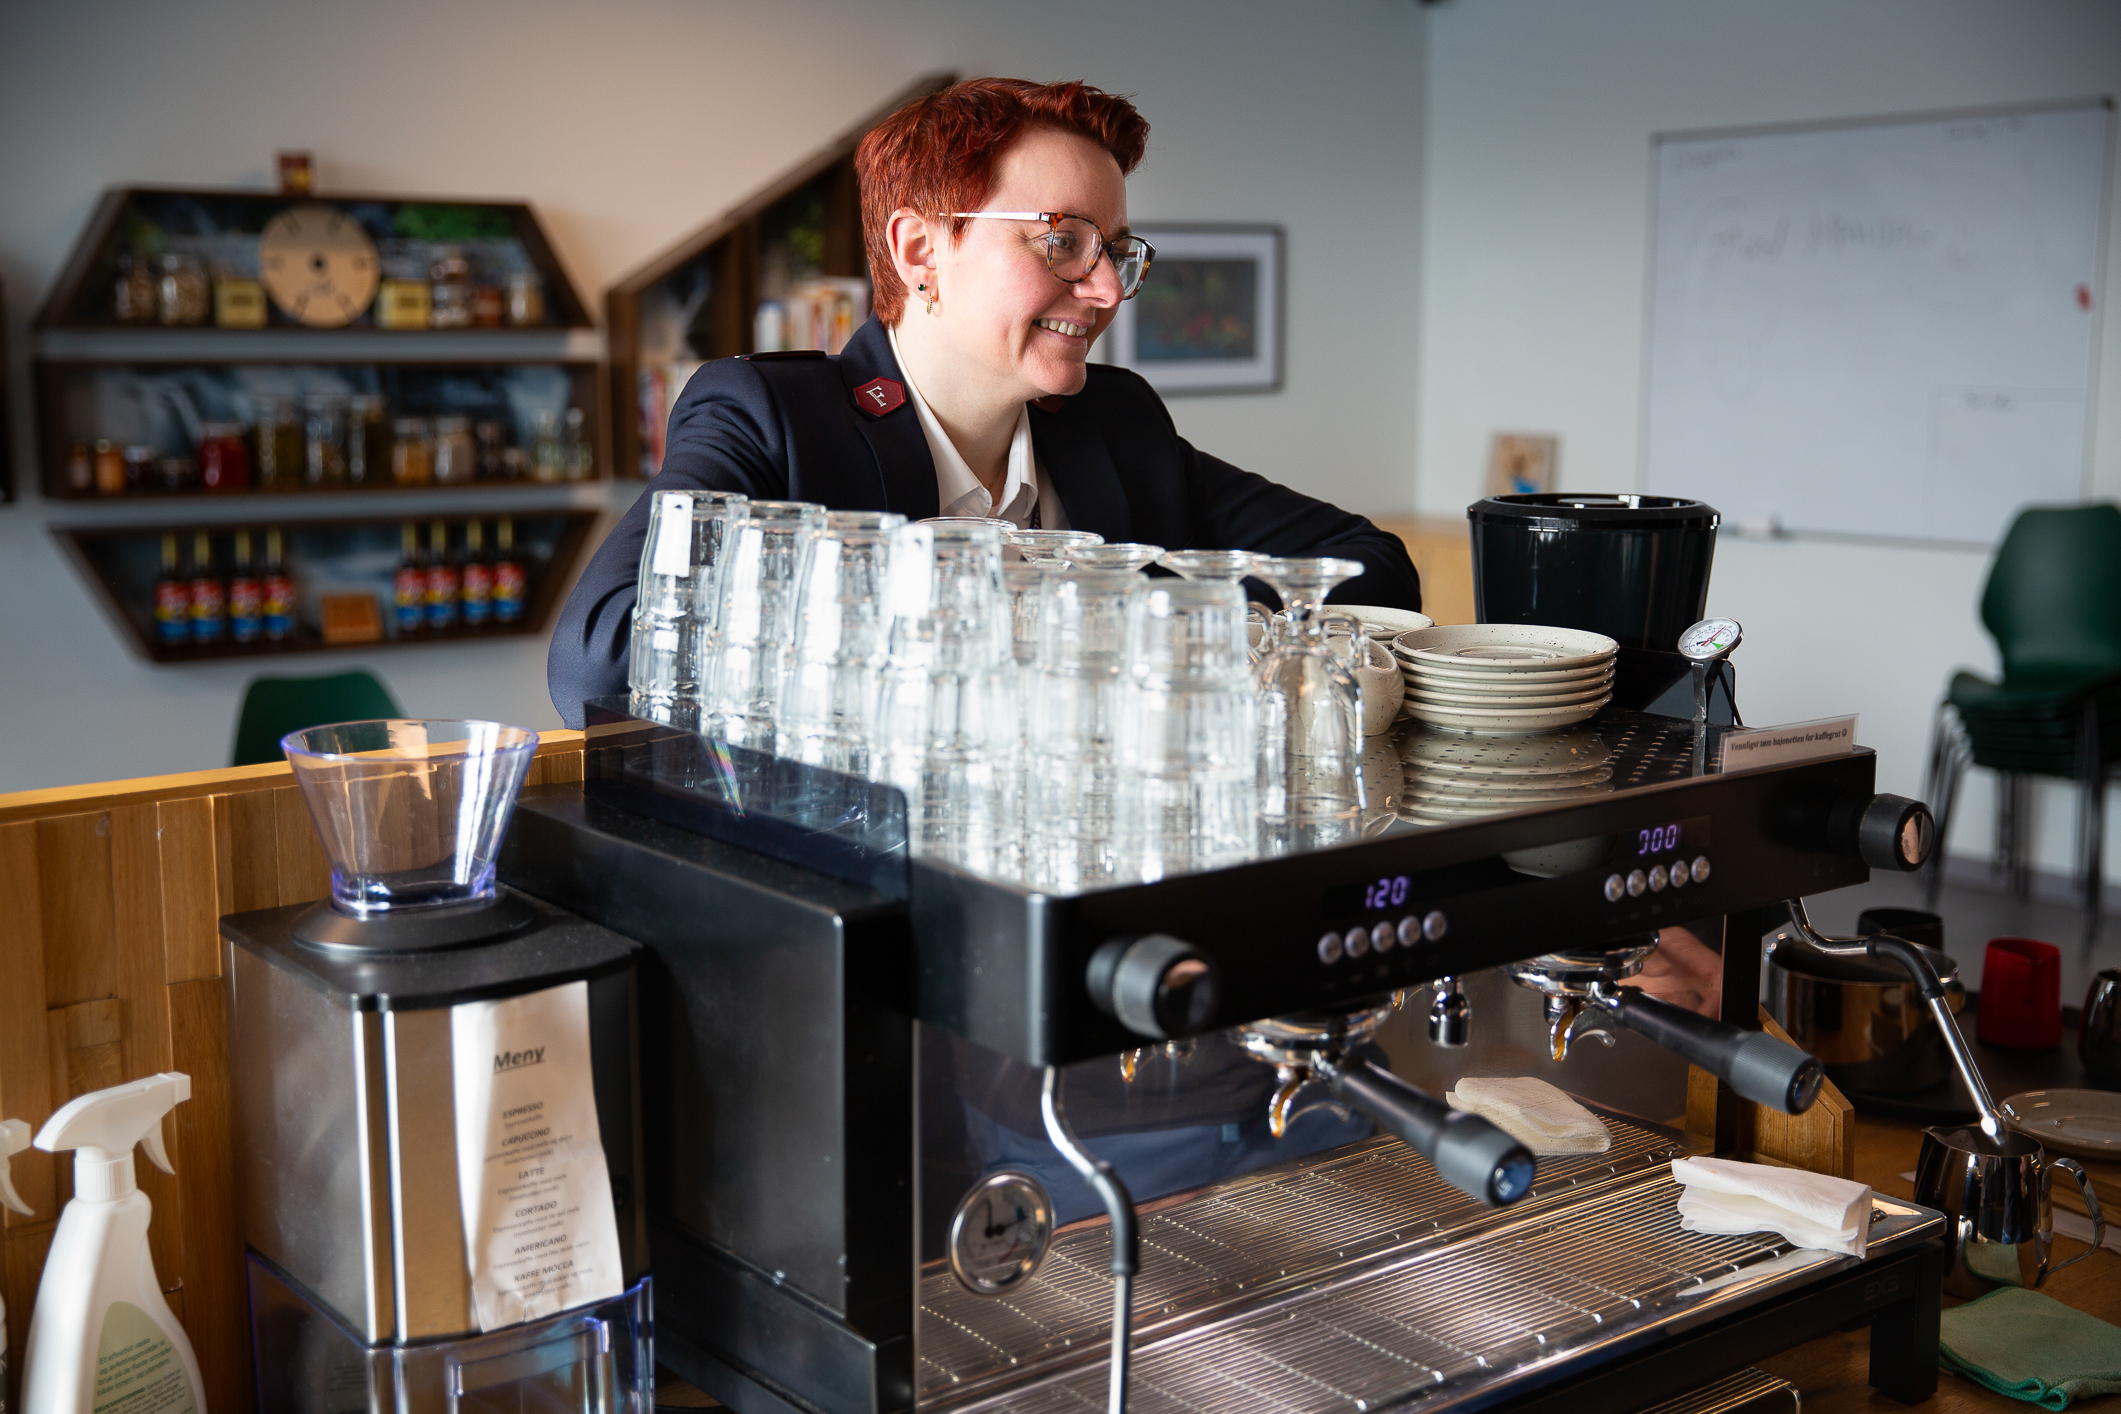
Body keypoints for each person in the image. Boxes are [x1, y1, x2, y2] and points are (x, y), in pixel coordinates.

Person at [547, 77, 1421, 725]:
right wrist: (970, 603)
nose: (1109, 291)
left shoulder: (1115, 424)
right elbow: (604, 660)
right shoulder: (770, 417)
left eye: (1117, 251)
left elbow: (1366, 563)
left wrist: (1143, 630)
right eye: (1064, 241)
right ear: (921, 249)